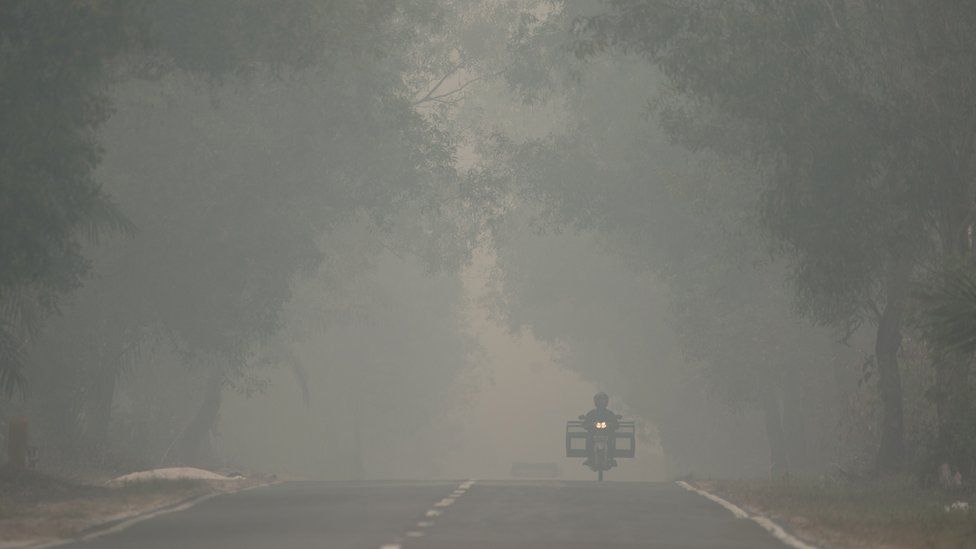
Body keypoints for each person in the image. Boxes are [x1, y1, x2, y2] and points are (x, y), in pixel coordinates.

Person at [582, 392, 619, 467]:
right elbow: (585, 424)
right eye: (599, 400)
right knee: (589, 439)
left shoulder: (610, 414)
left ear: (606, 402)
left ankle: (611, 458)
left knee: (612, 440)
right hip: (593, 434)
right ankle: (589, 458)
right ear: (596, 401)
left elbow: (616, 425)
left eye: (603, 400)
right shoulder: (591, 413)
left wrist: (611, 424)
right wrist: (591, 424)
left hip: (608, 434)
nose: (601, 402)